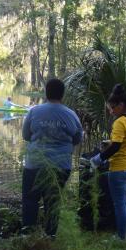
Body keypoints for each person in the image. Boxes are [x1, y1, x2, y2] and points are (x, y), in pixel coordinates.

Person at [21, 78, 83, 237]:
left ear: (46, 93)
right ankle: (50, 236)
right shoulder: (71, 115)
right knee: (53, 202)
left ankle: (28, 235)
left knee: (30, 200)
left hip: (34, 164)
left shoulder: (34, 112)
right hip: (61, 166)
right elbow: (77, 139)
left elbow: (26, 136)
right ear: (63, 94)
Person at [91, 84, 126, 239]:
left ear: (121, 105)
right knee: (125, 202)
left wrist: (98, 159)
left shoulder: (120, 122)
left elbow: (116, 146)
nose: (111, 111)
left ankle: (121, 237)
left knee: (119, 204)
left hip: (119, 168)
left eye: (113, 108)